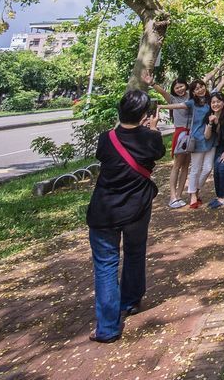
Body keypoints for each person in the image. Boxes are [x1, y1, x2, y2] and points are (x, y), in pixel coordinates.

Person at [87, 88, 164, 343]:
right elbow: (158, 153)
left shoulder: (106, 138)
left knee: (106, 265)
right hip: (137, 208)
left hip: (105, 209)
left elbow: (104, 156)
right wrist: (151, 129)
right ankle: (130, 301)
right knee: (134, 252)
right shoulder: (151, 138)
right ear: (145, 114)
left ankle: (107, 327)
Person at [161, 78, 191, 208]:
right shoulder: (173, 99)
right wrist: (152, 83)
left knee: (186, 166)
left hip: (192, 134)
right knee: (177, 165)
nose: (180, 89)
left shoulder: (192, 96)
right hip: (181, 134)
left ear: (186, 86)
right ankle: (172, 196)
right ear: (173, 89)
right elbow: (163, 92)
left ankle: (179, 195)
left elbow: (204, 81)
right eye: (177, 87)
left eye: (182, 86)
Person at [184, 79, 214, 208]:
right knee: (195, 169)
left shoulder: (212, 99)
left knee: (207, 168)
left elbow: (222, 82)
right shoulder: (192, 103)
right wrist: (160, 106)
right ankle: (193, 195)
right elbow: (176, 105)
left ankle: (196, 189)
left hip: (211, 139)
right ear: (193, 92)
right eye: (196, 89)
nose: (200, 89)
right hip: (196, 139)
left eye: (201, 86)